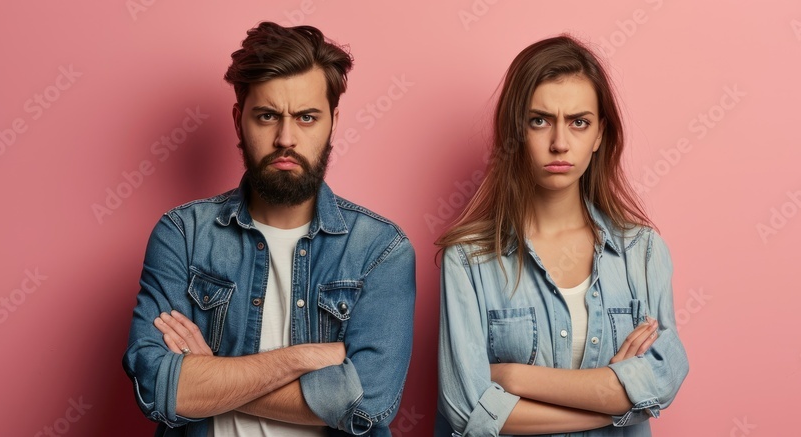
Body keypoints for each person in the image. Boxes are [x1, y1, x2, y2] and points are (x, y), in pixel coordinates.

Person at [122, 22, 417, 437]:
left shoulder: (381, 249)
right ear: (239, 120)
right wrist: (302, 359)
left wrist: (207, 375)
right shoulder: (182, 235)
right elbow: (156, 388)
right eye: (267, 116)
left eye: (306, 117)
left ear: (333, 121)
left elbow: (368, 403)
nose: (285, 138)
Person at [434, 35, 688, 436]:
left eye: (579, 122)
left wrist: (516, 379)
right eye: (539, 121)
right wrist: (613, 402)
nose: (559, 143)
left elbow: (663, 379)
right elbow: (469, 412)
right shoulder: (468, 258)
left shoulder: (642, 251)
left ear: (600, 135)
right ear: (514, 132)